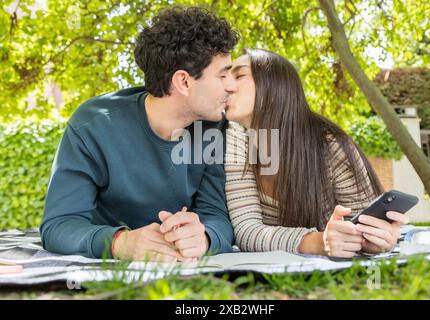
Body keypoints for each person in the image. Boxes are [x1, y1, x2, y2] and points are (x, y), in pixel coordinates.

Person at [40, 6, 239, 261]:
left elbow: (218, 217)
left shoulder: (216, 127)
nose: (232, 86)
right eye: (223, 75)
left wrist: (205, 236)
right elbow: (59, 225)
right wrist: (118, 243)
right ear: (184, 82)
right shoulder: (93, 125)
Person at [223, 49, 408, 258]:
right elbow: (247, 232)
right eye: (225, 77)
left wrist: (374, 239)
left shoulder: (331, 147)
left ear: (276, 85)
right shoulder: (235, 143)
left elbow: (362, 220)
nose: (226, 87)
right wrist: (319, 242)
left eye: (239, 75)